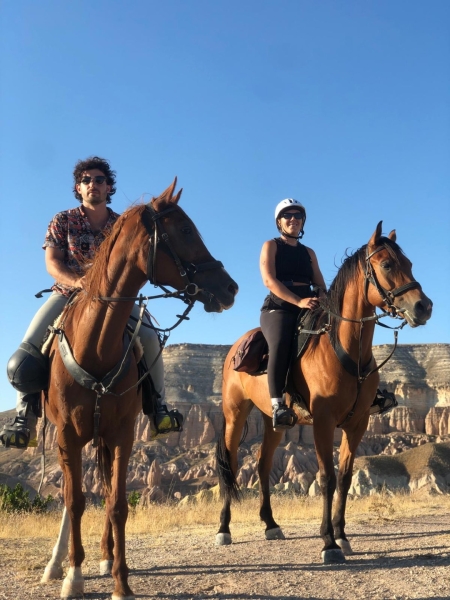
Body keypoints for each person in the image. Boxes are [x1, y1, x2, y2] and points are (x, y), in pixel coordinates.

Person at [0, 156, 181, 449]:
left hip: (114, 300)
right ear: (78, 188)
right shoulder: (63, 220)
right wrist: (79, 282)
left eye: (99, 180)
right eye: (86, 180)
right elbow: (53, 263)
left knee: (149, 337)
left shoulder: (121, 224)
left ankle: (159, 408)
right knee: (30, 345)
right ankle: (24, 417)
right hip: (68, 294)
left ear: (109, 187)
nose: (92, 184)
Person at [259, 198, 327, 431]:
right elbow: (269, 280)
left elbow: (319, 283)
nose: (293, 219)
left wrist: (323, 299)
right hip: (279, 307)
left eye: (298, 215)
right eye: (287, 215)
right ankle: (278, 404)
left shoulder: (309, 253)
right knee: (280, 343)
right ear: (279, 222)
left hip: (309, 304)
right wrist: (298, 300)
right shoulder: (272, 245)